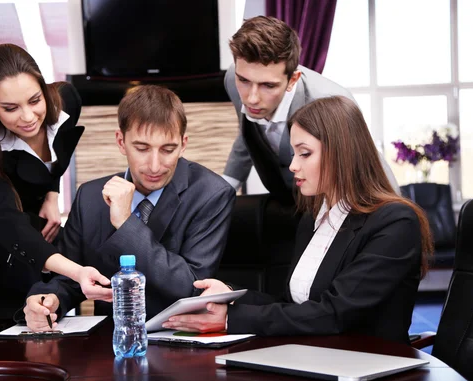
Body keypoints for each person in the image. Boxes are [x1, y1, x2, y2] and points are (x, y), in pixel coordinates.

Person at [162, 96, 433, 345]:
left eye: (304, 153)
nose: (292, 165)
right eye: (293, 153)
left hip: (369, 367)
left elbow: (333, 313)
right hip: (312, 358)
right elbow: (292, 304)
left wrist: (231, 319)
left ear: (342, 153)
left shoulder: (395, 222)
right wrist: (229, 295)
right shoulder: (314, 217)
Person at [22, 85, 236, 332]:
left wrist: (126, 223)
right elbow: (68, 276)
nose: (155, 165)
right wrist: (48, 300)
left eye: (168, 149)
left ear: (183, 144)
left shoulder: (212, 194)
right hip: (109, 343)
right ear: (121, 142)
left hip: (182, 339)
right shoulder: (90, 196)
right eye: (142, 148)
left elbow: (192, 287)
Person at [0, 44, 110, 320]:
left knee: (53, 306)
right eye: (11, 108)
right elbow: (11, 226)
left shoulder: (66, 100)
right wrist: (79, 271)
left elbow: (56, 154)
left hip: (27, 214)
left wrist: (52, 196)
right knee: (6, 321)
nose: (29, 117)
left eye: (35, 100)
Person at [222, 16, 399, 199]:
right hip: (281, 200)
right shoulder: (231, 81)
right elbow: (249, 134)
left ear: (292, 80)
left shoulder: (329, 102)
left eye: (268, 86)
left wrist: (396, 214)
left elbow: (365, 163)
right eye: (243, 80)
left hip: (327, 202)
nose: (252, 98)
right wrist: (223, 191)